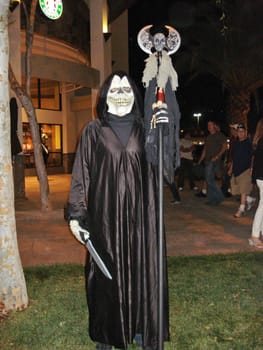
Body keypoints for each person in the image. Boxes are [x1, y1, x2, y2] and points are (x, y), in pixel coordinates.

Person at [67, 72, 169, 350]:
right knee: (106, 275)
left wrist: (163, 134)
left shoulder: (145, 129)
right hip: (106, 217)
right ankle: (109, 333)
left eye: (126, 88)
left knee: (140, 271)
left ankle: (139, 327)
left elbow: (166, 170)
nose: (121, 93)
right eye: (115, 88)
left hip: (142, 217)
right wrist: (76, 215)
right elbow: (81, 176)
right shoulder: (93, 131)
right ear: (105, 95)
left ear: (135, 95)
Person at [198, 120, 227, 205]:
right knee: (209, 180)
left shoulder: (219, 135)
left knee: (209, 180)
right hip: (207, 161)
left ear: (214, 126)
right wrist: (200, 160)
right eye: (208, 125)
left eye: (210, 125)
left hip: (214, 161)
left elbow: (225, 147)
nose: (209, 126)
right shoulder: (208, 137)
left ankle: (220, 196)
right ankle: (213, 200)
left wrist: (217, 156)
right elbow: (205, 150)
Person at [229, 124, 254, 218]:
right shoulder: (236, 143)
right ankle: (250, 199)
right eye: (239, 131)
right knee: (235, 191)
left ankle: (241, 209)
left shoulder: (248, 143)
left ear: (245, 133)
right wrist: (231, 168)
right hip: (236, 170)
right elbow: (234, 158)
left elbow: (252, 157)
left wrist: (251, 168)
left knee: (243, 191)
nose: (240, 133)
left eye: (242, 131)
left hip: (246, 170)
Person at [248, 118, 263, 248]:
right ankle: (254, 236)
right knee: (262, 206)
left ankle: (259, 233)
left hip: (260, 176)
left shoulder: (258, 141)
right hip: (262, 177)